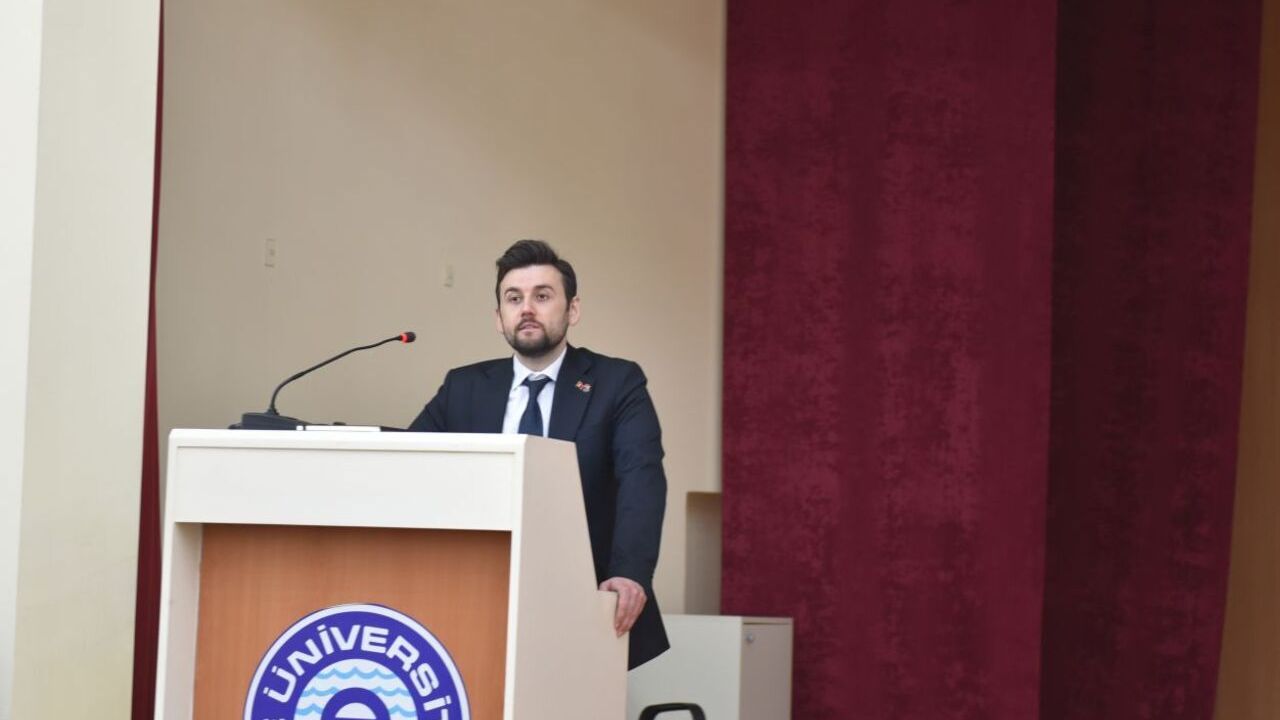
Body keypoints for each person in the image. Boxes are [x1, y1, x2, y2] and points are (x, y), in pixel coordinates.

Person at [408, 239, 669, 669]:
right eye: (514, 299)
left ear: (572, 310)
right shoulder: (464, 387)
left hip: (583, 596)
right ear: (499, 318)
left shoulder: (617, 383)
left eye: (542, 296)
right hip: (477, 592)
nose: (527, 308)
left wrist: (629, 572)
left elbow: (640, 479)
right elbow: (413, 465)